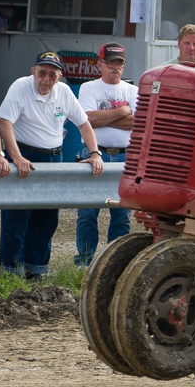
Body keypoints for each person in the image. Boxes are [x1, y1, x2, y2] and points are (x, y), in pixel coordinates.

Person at [0, 51, 104, 279]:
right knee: (16, 219)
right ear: (33, 71)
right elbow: (5, 122)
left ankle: (36, 272)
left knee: (47, 219)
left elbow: (83, 123)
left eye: (52, 75)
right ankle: (9, 275)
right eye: (42, 73)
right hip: (25, 155)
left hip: (54, 158)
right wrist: (16, 157)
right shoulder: (20, 86)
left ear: (60, 77)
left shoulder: (63, 92)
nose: (46, 79)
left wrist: (95, 153)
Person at [74, 42, 138, 266]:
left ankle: (114, 263)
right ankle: (85, 261)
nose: (115, 67)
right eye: (110, 62)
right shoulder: (88, 88)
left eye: (119, 63)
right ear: (100, 64)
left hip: (125, 156)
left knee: (121, 214)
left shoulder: (133, 91)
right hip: (93, 153)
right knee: (88, 213)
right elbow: (87, 119)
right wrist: (121, 112)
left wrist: (104, 117)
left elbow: (137, 123)